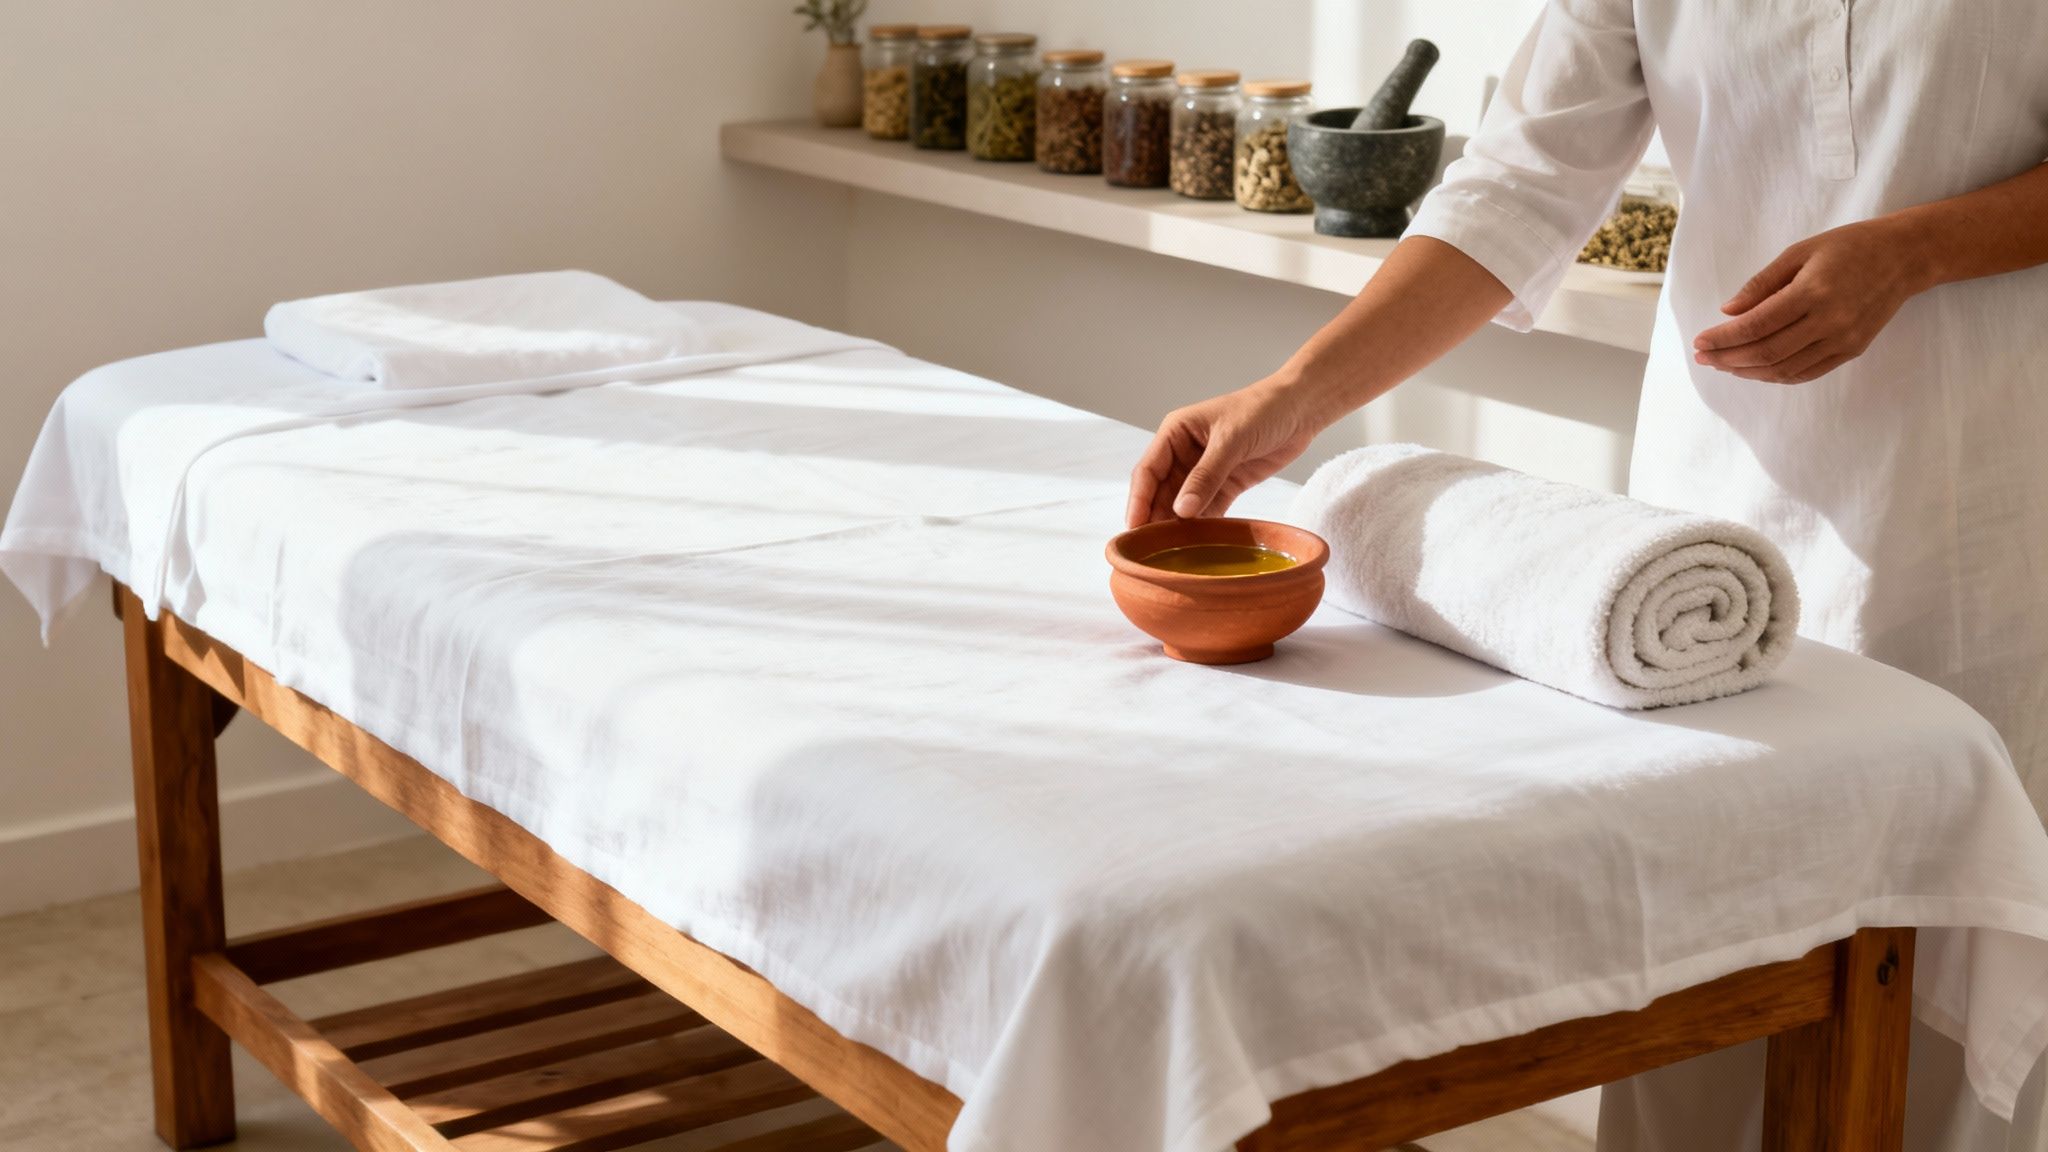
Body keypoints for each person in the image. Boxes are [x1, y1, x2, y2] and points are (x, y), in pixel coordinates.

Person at [1125, 1, 2048, 1148]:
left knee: (1936, 985)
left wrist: (1915, 249)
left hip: (1988, 510)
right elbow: (1518, 182)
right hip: (1706, 530)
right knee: (1701, 974)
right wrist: (1293, 398)